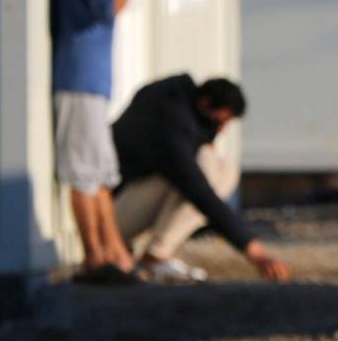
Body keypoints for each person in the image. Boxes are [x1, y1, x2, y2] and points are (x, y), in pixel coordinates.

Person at [50, 0, 167, 284]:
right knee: (84, 172)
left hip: (92, 79)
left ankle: (113, 254)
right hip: (78, 77)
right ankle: (94, 259)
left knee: (100, 172)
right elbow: (108, 8)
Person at [112, 75, 290, 282]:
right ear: (205, 104)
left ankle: (152, 253)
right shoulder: (172, 124)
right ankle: (155, 257)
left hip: (124, 204)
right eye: (220, 123)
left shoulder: (175, 101)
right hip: (110, 217)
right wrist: (255, 252)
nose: (221, 131)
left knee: (221, 168)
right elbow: (199, 191)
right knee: (210, 169)